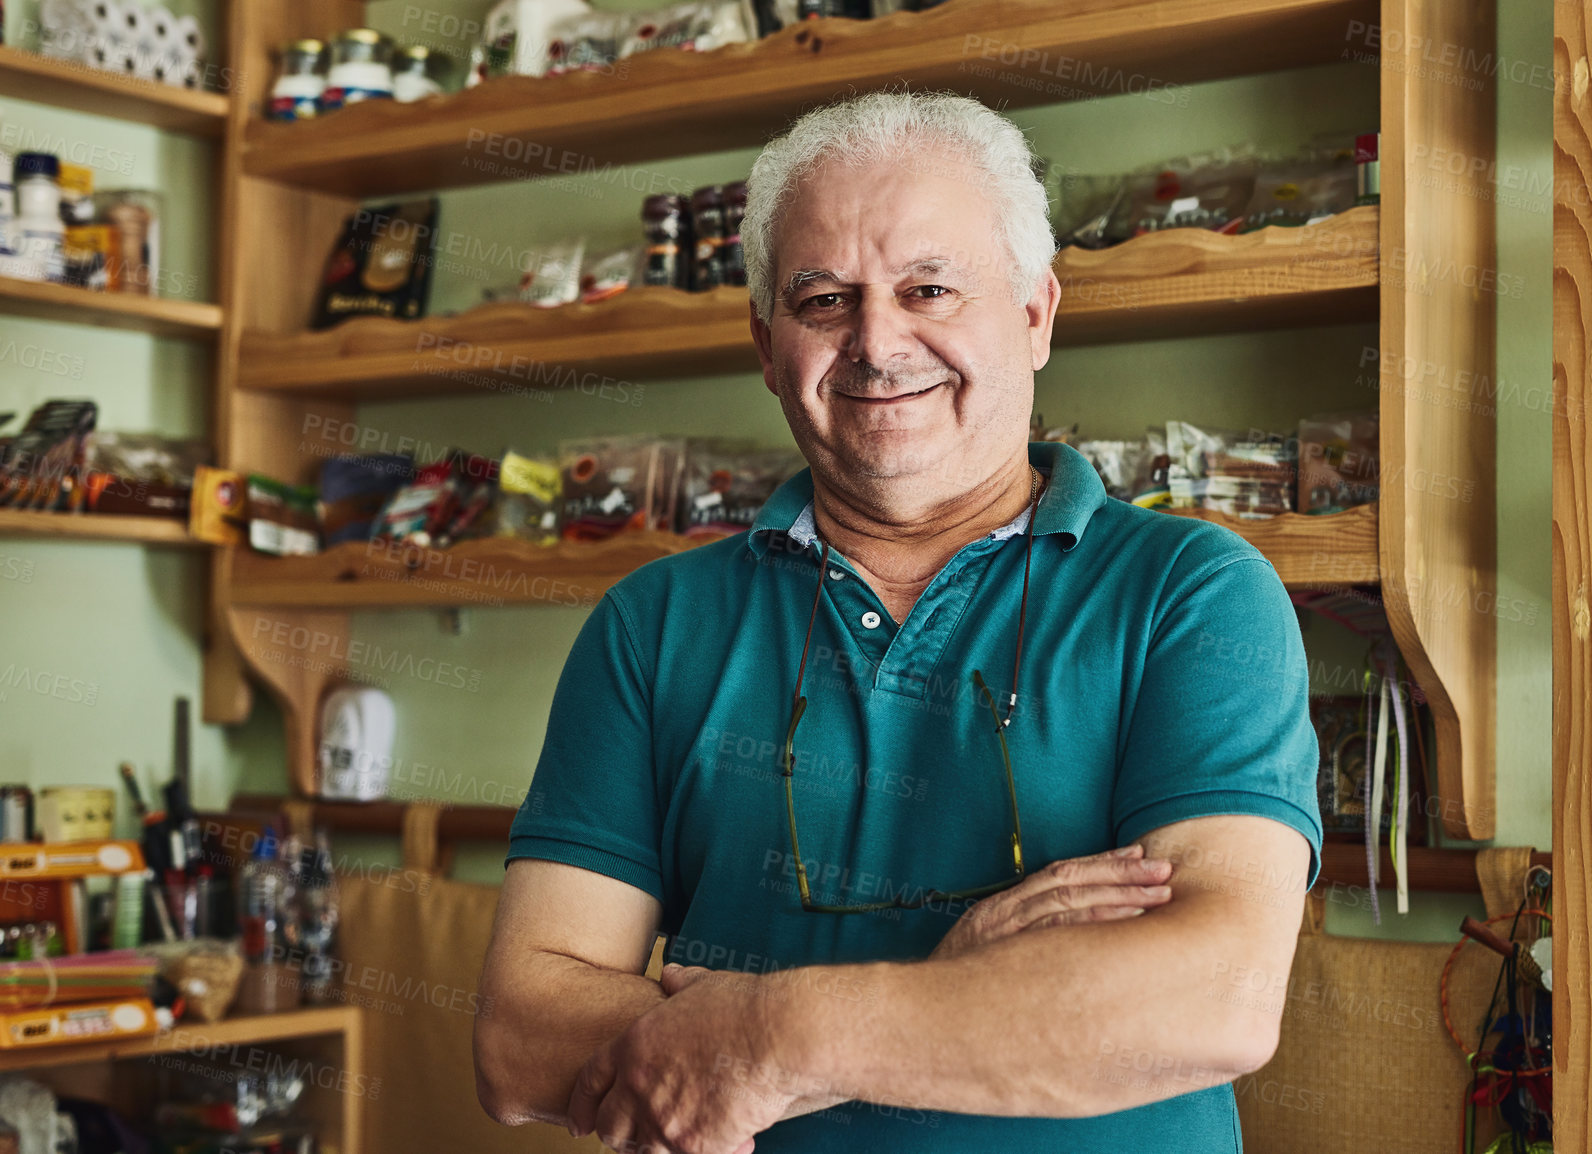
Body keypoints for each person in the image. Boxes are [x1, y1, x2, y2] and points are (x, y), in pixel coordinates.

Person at [476, 89, 1321, 1154]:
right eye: (823, 299)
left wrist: (774, 1030)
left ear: (1033, 314)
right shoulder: (651, 624)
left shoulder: (1191, 592)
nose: (877, 343)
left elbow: (1214, 996)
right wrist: (950, 988)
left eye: (930, 287)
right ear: (764, 342)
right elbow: (521, 1038)